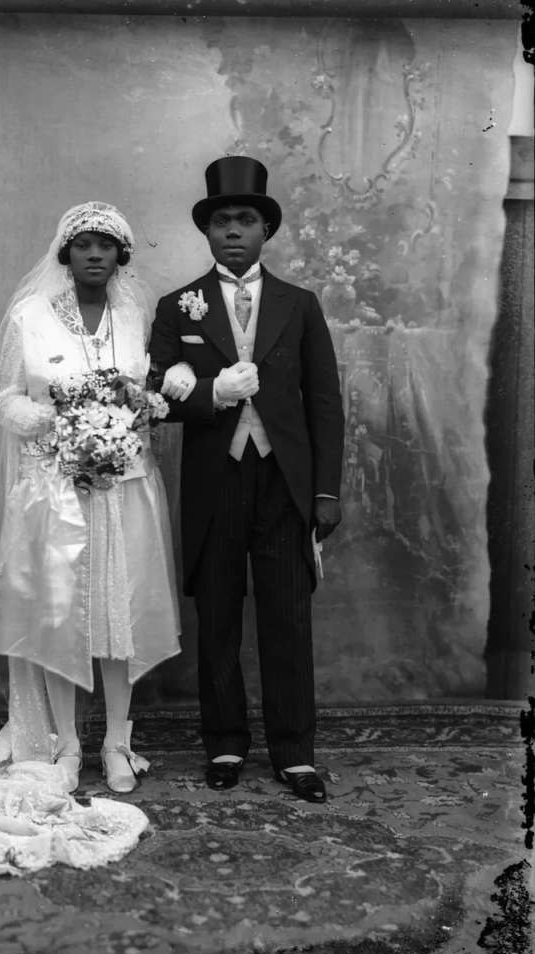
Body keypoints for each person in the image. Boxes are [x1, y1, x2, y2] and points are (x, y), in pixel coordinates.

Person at [0, 202, 183, 878]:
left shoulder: (137, 318)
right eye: (83, 245)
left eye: (106, 246)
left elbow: (149, 394)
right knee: (62, 619)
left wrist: (130, 418)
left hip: (123, 489)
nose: (94, 255)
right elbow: (5, 400)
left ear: (121, 257)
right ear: (65, 254)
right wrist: (62, 428)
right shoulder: (30, 316)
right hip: (55, 491)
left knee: (117, 616)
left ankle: (117, 742)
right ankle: (66, 747)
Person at [149, 157, 345, 803]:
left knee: (287, 616)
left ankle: (294, 753)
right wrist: (211, 391)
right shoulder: (178, 306)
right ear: (206, 231)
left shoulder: (299, 304)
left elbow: (324, 404)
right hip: (216, 482)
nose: (233, 230)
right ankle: (225, 742)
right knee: (218, 617)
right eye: (221, 221)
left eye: (246, 220)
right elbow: (155, 398)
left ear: (266, 230)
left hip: (284, 483)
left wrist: (324, 491)